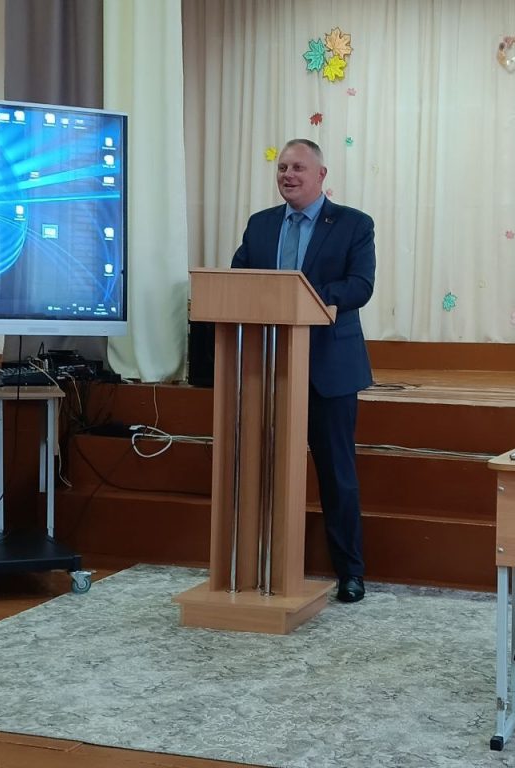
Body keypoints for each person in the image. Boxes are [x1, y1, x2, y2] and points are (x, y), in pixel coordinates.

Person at [230, 139, 375, 604]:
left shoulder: (353, 224)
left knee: (337, 475)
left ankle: (350, 572)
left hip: (329, 371)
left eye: (298, 168)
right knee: (263, 470)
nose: (288, 175)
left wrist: (302, 297)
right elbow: (237, 280)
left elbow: (360, 286)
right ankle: (260, 566)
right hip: (268, 369)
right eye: (282, 168)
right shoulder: (260, 224)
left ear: (321, 175)